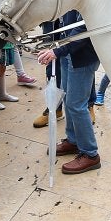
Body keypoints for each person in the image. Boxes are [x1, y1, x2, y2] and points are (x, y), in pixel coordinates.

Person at [34, 10, 103, 174]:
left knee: (76, 105)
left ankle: (90, 153)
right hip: (68, 53)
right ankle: (73, 140)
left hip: (82, 56)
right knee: (68, 100)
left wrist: (56, 51)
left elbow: (82, 30)